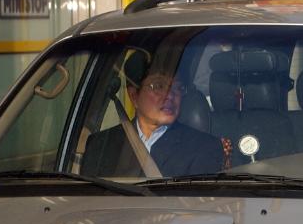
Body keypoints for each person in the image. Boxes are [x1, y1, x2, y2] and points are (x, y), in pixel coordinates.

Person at [82, 57, 223, 178]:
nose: (170, 95)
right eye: (158, 86)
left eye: (177, 88)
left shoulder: (204, 147)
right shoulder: (101, 144)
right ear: (134, 96)